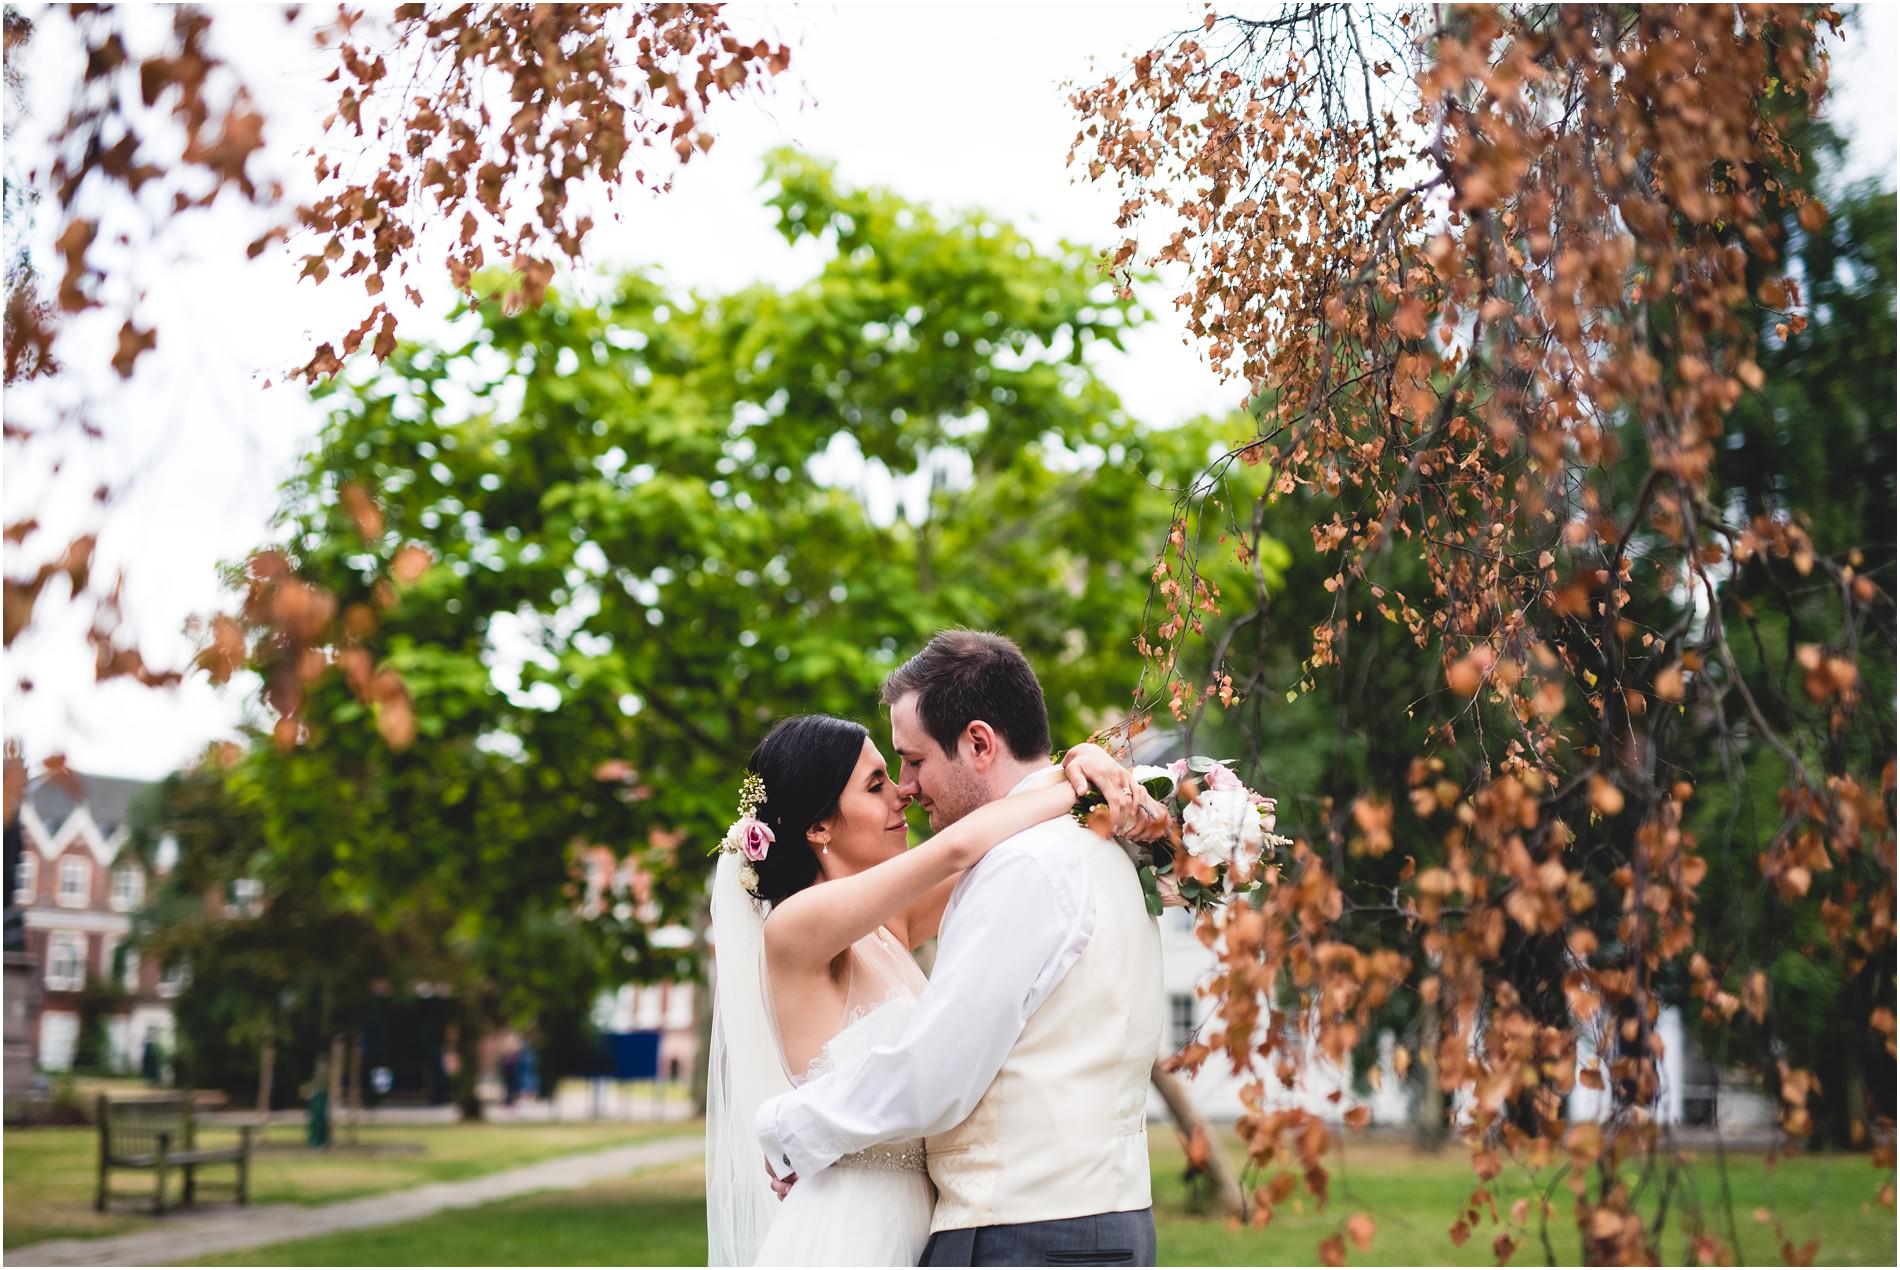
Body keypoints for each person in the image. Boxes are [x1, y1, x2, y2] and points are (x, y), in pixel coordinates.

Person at [704, 677, 1147, 1267]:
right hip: (851, 1224)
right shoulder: (796, 926)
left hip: (925, 1219)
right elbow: (959, 850)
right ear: (818, 827)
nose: (902, 794)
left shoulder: (889, 925)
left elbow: (1000, 846)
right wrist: (1073, 786)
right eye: (877, 783)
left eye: (899, 771)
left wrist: (1080, 759)